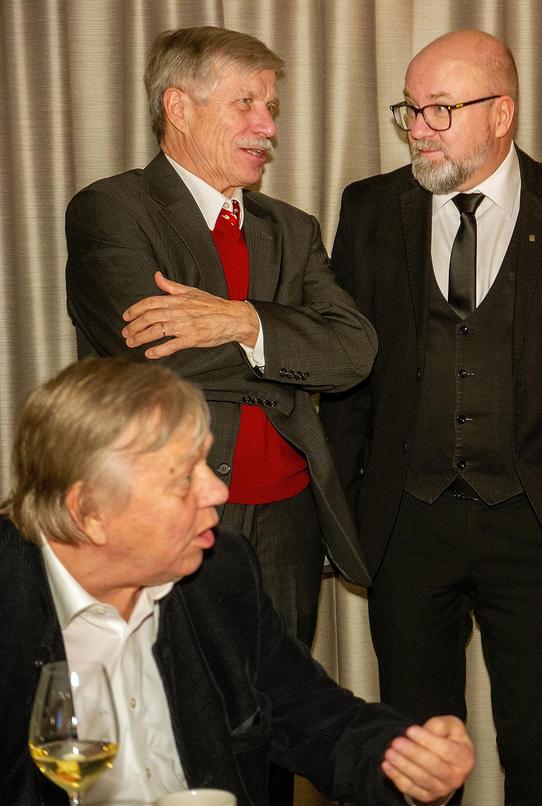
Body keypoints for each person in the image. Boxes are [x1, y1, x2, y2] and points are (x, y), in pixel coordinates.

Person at [319, 29, 542, 806]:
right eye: (411, 110)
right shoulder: (369, 209)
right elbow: (346, 376)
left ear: (502, 113)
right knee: (418, 763)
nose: (419, 129)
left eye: (440, 109)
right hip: (408, 527)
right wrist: (348, 509)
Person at [0, 357, 472, 806]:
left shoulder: (218, 571)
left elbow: (313, 719)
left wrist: (413, 763)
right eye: (183, 479)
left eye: (206, 462)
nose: (219, 491)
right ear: (90, 514)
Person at [64, 26, 377, 652]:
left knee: (278, 702)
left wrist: (244, 321)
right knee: (178, 699)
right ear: (179, 107)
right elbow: (157, 359)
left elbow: (354, 351)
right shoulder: (113, 209)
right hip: (167, 509)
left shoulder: (291, 228)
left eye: (271, 107)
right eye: (246, 103)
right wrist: (289, 355)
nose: (268, 127)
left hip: (289, 518)